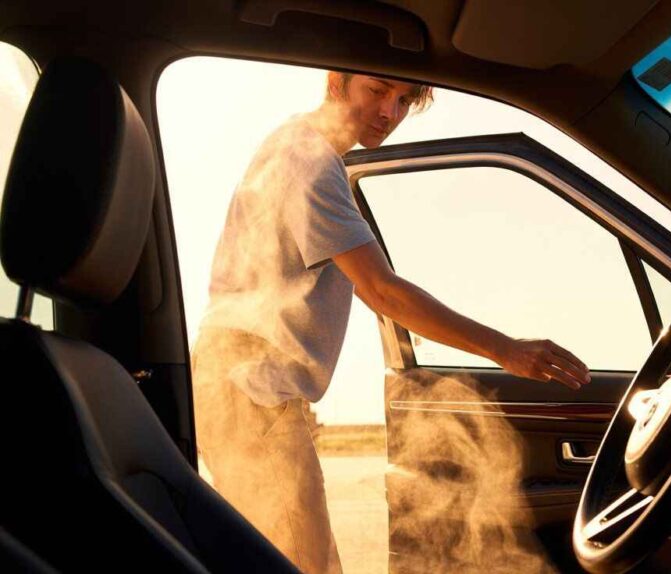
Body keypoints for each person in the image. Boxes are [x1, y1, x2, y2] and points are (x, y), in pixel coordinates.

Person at [190, 71, 591, 574]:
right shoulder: (310, 161)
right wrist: (505, 350)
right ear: (338, 81)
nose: (389, 113)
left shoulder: (304, 149)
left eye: (403, 100)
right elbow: (380, 290)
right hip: (252, 389)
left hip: (247, 385)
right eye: (377, 90)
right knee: (300, 565)